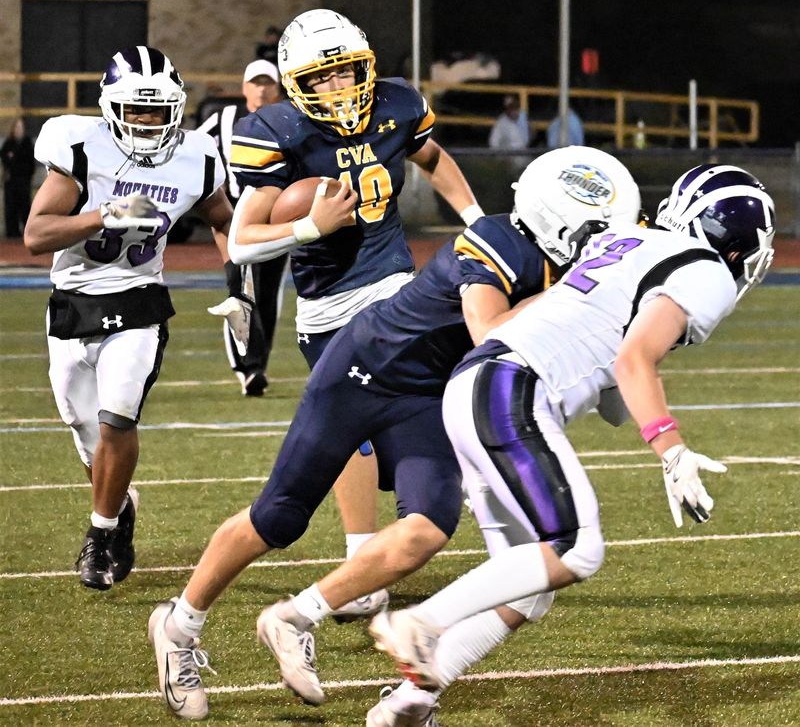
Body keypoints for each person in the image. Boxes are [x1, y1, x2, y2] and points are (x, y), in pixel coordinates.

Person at [145, 146, 642, 721]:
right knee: (279, 515)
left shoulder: (567, 265)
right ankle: (179, 625)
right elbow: (490, 330)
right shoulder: (499, 239)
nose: (606, 246)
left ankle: (295, 616)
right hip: (364, 369)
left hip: (428, 396)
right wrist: (574, 301)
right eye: (598, 232)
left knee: (426, 531)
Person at [369, 163, 776, 725]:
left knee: (529, 585)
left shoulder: (630, 241)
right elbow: (634, 361)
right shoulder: (705, 270)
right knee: (576, 548)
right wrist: (672, 450)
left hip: (476, 383)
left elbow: (611, 378)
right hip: (512, 391)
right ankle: (418, 623)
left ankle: (412, 700)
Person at [229, 9, 484, 613]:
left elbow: (433, 157)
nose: (339, 88)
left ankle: (434, 503)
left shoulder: (395, 105)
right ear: (297, 84)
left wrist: (473, 218)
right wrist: (307, 227)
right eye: (323, 79)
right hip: (327, 306)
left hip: (393, 283)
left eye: (346, 73)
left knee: (452, 382)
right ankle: (363, 554)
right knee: (356, 439)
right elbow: (241, 242)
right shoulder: (278, 132)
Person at [23, 46, 234, 592]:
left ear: (177, 109)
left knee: (119, 414)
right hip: (73, 299)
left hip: (140, 298)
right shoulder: (79, 147)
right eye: (136, 110)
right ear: (111, 108)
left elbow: (226, 221)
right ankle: (118, 505)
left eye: (158, 110)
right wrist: (107, 214)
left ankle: (100, 533)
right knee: (83, 425)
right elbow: (36, 235)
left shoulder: (198, 156)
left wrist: (244, 279)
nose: (146, 121)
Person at [199, 59, 287, 396]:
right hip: (235, 216)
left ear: (277, 88)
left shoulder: (289, 121)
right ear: (245, 86)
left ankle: (258, 365)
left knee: (268, 294)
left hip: (277, 218)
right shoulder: (223, 119)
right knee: (241, 289)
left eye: (268, 82)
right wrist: (213, 195)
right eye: (256, 82)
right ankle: (247, 368)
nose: (262, 89)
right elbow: (197, 147)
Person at [1, 117, 35, 237]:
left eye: (21, 127)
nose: (19, 130)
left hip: (24, 180)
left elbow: (30, 162)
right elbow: (5, 158)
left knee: (25, 206)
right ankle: (12, 232)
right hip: (11, 181)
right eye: (17, 127)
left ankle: (27, 232)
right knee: (11, 207)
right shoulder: (8, 143)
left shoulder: (27, 143)